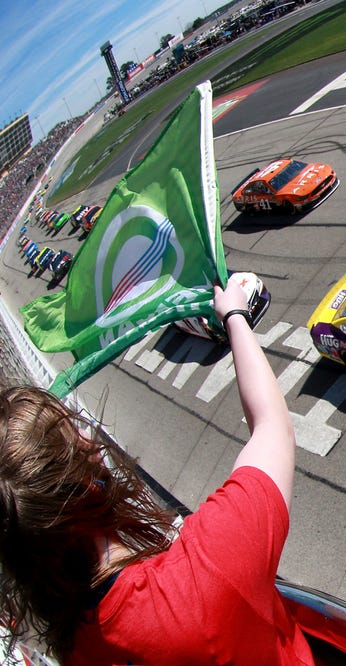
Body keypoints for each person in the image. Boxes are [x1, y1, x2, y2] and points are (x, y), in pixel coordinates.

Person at [0, 280, 314, 664]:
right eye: (72, 427)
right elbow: (273, 426)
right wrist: (234, 315)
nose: (87, 431)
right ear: (79, 484)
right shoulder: (205, 572)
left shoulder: (76, 649)